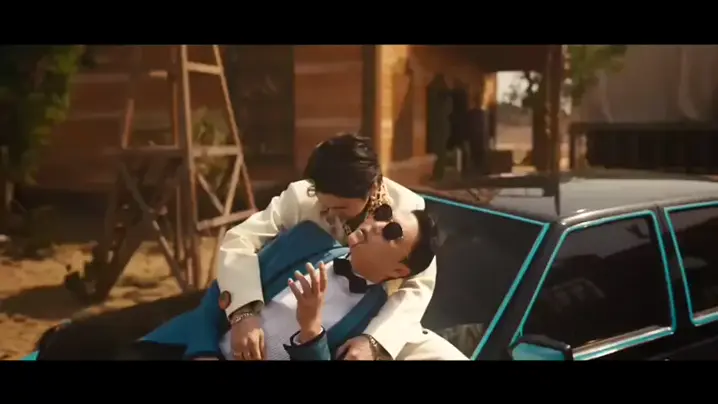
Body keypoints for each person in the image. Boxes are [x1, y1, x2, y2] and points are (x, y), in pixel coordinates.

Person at [32, 209, 466, 361]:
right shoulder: (306, 241)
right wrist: (204, 350)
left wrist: (311, 328)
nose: (375, 225)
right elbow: (219, 291)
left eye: (392, 233)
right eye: (382, 216)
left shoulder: (373, 323)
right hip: (194, 347)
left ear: (398, 271)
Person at [218, 133, 438, 360]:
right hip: (284, 300)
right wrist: (243, 312)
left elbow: (418, 287)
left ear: (373, 189)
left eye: (341, 208)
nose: (330, 215)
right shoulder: (301, 195)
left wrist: (374, 341)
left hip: (372, 319)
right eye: (324, 205)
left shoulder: (409, 210)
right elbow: (240, 240)